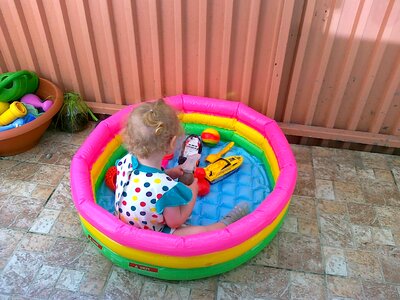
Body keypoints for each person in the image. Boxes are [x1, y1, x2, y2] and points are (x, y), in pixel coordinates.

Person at [115, 99, 249, 236]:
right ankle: (225, 224)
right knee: (201, 233)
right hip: (153, 236)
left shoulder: (127, 161)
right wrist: (193, 192)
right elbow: (175, 222)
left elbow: (146, 181)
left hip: (124, 224)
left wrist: (170, 173)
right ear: (172, 143)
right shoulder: (165, 188)